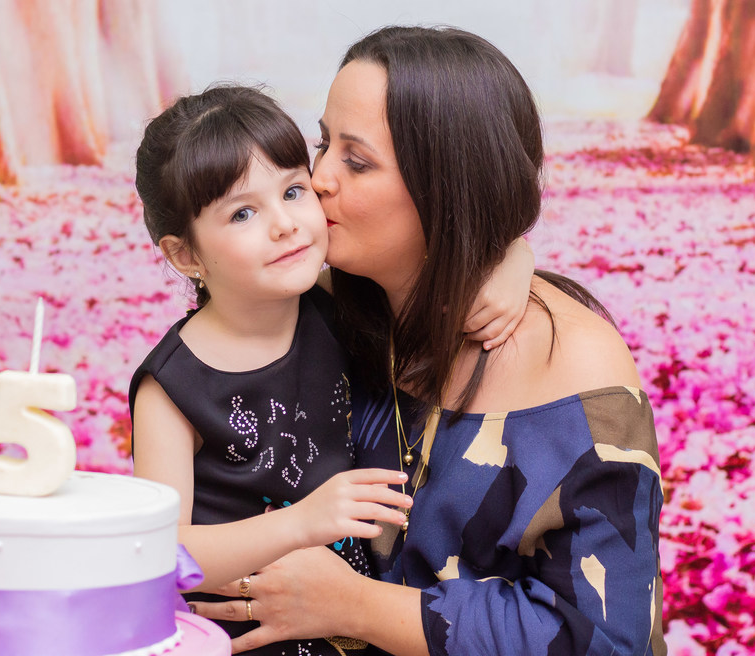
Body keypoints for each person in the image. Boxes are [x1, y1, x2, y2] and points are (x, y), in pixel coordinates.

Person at [192, 27, 666, 656]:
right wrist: (507, 251)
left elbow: (604, 638)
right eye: (324, 143)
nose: (319, 177)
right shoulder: (329, 308)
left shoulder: (572, 361)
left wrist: (355, 606)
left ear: (450, 187)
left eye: (356, 161)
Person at [129, 84, 534, 656]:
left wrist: (514, 261)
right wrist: (301, 524)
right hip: (244, 637)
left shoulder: (335, 302)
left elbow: (440, 265)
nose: (286, 224)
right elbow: (153, 550)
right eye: (243, 212)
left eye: (294, 190)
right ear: (186, 255)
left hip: (352, 627)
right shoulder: (171, 388)